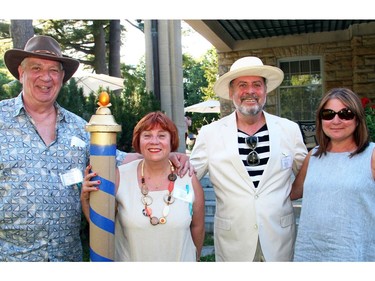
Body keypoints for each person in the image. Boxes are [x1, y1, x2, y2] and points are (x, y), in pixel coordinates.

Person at [0, 35, 191, 262]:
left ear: (62, 77)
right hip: (10, 257)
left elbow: (115, 159)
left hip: (66, 257)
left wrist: (166, 154)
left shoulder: (79, 127)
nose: (46, 77)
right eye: (36, 68)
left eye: (53, 70)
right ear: (21, 73)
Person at [189, 56, 307, 261]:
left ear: (265, 90)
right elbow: (186, 178)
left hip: (280, 241)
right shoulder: (210, 134)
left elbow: (311, 176)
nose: (250, 91)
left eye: (257, 85)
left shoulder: (289, 129)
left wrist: (290, 193)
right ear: (231, 92)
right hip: (233, 242)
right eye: (242, 85)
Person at [81, 111, 205, 261]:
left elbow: (197, 227)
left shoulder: (188, 178)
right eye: (147, 135)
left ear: (171, 140)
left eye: (161, 135)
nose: (154, 141)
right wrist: (86, 201)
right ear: (138, 141)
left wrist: (194, 259)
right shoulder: (120, 176)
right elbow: (102, 226)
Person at [291, 88, 375, 262]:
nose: (336, 120)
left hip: (355, 253)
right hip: (311, 252)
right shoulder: (313, 156)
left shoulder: (371, 155)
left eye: (345, 114)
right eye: (328, 114)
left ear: (358, 119)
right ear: (321, 120)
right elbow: (291, 193)